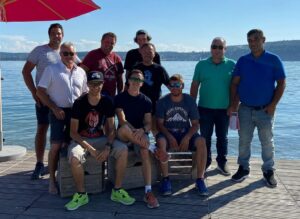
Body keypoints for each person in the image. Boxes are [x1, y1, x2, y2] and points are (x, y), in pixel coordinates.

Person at [65, 71, 135, 211]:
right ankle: (81, 194)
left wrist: (108, 147)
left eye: (98, 84)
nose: (95, 87)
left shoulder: (107, 101)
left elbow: (111, 129)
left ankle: (117, 190)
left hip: (102, 138)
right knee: (74, 157)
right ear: (87, 84)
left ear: (102, 84)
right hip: (82, 140)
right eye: (92, 84)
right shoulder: (79, 103)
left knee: (123, 149)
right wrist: (91, 149)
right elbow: (73, 132)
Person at [229, 29, 286, 188]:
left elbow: (281, 83)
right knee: (243, 141)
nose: (252, 43)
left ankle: (268, 170)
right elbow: (235, 83)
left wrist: (273, 105)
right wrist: (233, 105)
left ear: (263, 40)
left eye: (255, 39)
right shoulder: (243, 60)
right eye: (249, 40)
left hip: (265, 110)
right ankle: (243, 168)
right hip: (245, 109)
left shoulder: (274, 59)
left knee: (267, 141)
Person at [36, 42, 88, 194]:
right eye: (65, 53)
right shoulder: (51, 70)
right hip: (58, 111)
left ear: (75, 54)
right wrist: (54, 108)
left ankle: (70, 175)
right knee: (55, 146)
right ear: (60, 55)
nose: (68, 56)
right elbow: (40, 91)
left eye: (71, 54)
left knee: (75, 143)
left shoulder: (81, 72)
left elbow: (84, 93)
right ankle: (51, 181)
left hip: (77, 113)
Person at [22, 23, 64, 180]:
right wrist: (34, 92)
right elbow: (26, 71)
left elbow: (79, 67)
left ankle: (59, 162)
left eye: (59, 33)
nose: (56, 36)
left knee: (61, 131)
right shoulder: (40, 51)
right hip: (44, 99)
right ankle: (39, 163)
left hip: (61, 100)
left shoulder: (65, 51)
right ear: (49, 35)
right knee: (42, 129)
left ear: (62, 35)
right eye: (53, 33)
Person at [156, 74, 208, 196]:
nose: (174, 87)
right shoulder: (162, 101)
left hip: (185, 132)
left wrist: (187, 137)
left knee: (201, 141)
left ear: (182, 86)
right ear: (168, 87)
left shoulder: (189, 100)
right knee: (161, 142)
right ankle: (166, 179)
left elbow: (195, 124)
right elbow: (159, 124)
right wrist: (169, 137)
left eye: (177, 85)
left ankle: (200, 179)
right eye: (172, 85)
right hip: (168, 133)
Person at [114, 69, 160, 209]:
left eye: (139, 80)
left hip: (140, 135)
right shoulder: (120, 98)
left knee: (144, 152)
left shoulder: (146, 101)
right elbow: (122, 120)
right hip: (124, 134)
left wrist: (143, 130)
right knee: (125, 129)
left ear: (142, 83)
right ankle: (152, 147)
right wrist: (135, 131)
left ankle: (148, 191)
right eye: (133, 79)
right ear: (128, 81)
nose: (136, 82)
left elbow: (148, 123)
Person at [190, 37, 235, 176]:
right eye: (214, 47)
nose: (216, 50)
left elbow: (236, 87)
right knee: (205, 137)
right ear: (210, 48)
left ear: (225, 49)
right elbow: (195, 85)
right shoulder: (201, 65)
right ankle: (206, 162)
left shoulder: (232, 65)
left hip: (224, 109)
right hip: (204, 108)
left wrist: (234, 106)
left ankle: (222, 162)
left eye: (220, 47)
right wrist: (192, 108)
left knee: (223, 137)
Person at [133, 42, 169, 135]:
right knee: (140, 131)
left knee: (156, 131)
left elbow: (170, 87)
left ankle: (158, 148)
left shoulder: (160, 69)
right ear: (141, 53)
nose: (147, 54)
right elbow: (128, 86)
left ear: (154, 53)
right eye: (144, 52)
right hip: (139, 105)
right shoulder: (137, 68)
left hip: (155, 105)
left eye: (150, 52)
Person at [80, 32, 124, 97]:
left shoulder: (117, 58)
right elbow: (81, 73)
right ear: (101, 41)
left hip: (110, 97)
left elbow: (120, 80)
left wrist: (120, 96)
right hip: (93, 96)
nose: (109, 44)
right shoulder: (92, 55)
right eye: (107, 42)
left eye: (112, 43)